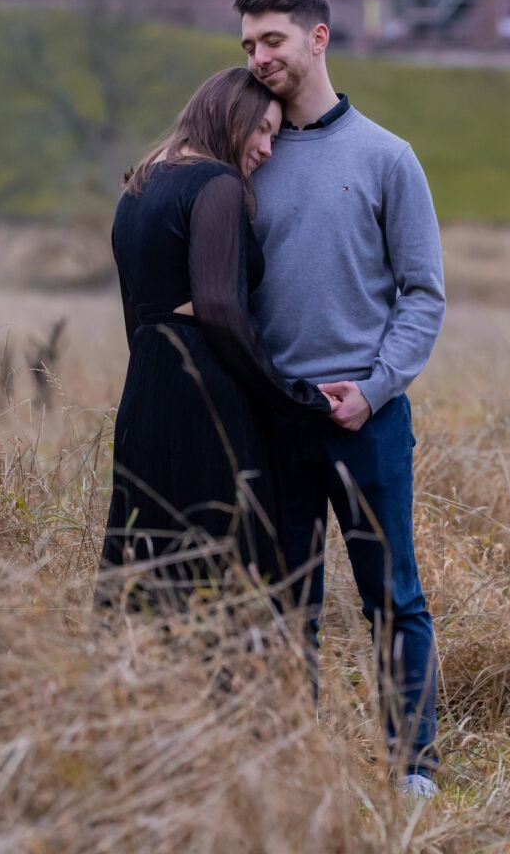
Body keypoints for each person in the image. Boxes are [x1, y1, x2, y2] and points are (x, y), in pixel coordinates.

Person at [234, 0, 446, 799]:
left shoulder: (387, 157)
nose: (258, 58)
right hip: (275, 419)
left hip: (368, 420)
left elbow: (422, 291)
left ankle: (412, 769)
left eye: (272, 41)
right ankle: (294, 767)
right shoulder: (248, 156)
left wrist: (375, 386)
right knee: (286, 604)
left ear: (317, 39)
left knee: (393, 597)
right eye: (248, 45)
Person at [95, 67, 335, 612]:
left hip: (146, 389)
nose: (269, 149)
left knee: (150, 556)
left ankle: (138, 687)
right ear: (233, 117)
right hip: (207, 392)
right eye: (264, 131)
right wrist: (296, 398)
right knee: (224, 565)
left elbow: (136, 312)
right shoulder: (216, 183)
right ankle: (222, 694)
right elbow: (221, 309)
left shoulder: (139, 185)